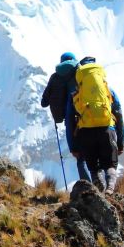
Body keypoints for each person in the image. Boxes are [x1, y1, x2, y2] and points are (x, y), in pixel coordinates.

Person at [65, 57, 124, 192]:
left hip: (86, 133)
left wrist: (73, 146)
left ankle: (100, 190)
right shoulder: (108, 91)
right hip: (107, 130)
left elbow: (69, 122)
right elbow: (119, 116)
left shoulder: (76, 93)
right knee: (110, 164)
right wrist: (120, 142)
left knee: (93, 167)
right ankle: (110, 189)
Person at [41, 52, 92, 182]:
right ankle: (100, 186)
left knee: (80, 156)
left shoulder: (55, 77)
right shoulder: (80, 72)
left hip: (70, 120)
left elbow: (44, 102)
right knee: (93, 152)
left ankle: (87, 187)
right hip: (86, 115)